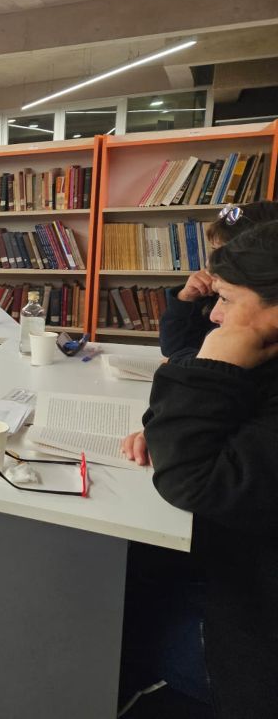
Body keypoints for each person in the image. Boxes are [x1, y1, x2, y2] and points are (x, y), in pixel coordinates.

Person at [142, 221, 278, 717]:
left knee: (116, 626)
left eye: (228, 300)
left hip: (252, 630)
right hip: (231, 572)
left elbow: (191, 480)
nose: (214, 315)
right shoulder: (264, 356)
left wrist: (211, 369)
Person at [122, 200, 278, 465]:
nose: (211, 265)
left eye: (223, 252)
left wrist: (184, 367)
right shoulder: (225, 298)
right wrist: (185, 299)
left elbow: (198, 479)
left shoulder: (253, 319)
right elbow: (173, 346)